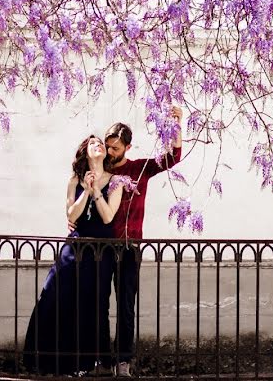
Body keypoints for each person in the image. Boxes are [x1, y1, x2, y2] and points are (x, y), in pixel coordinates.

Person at [23, 135, 125, 375]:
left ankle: (92, 363)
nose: (98, 145)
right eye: (92, 144)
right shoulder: (74, 180)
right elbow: (72, 215)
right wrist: (85, 192)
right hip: (76, 245)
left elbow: (109, 216)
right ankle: (47, 359)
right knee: (54, 293)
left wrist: (97, 190)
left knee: (94, 303)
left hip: (101, 249)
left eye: (100, 143)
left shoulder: (116, 181)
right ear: (85, 152)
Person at [105, 107, 183, 377]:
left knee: (126, 305)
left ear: (127, 147)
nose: (110, 152)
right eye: (108, 146)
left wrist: (175, 125)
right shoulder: (98, 169)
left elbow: (172, 157)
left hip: (129, 248)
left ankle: (123, 360)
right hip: (99, 247)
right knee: (98, 304)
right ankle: (100, 359)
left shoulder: (138, 169)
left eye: (116, 148)